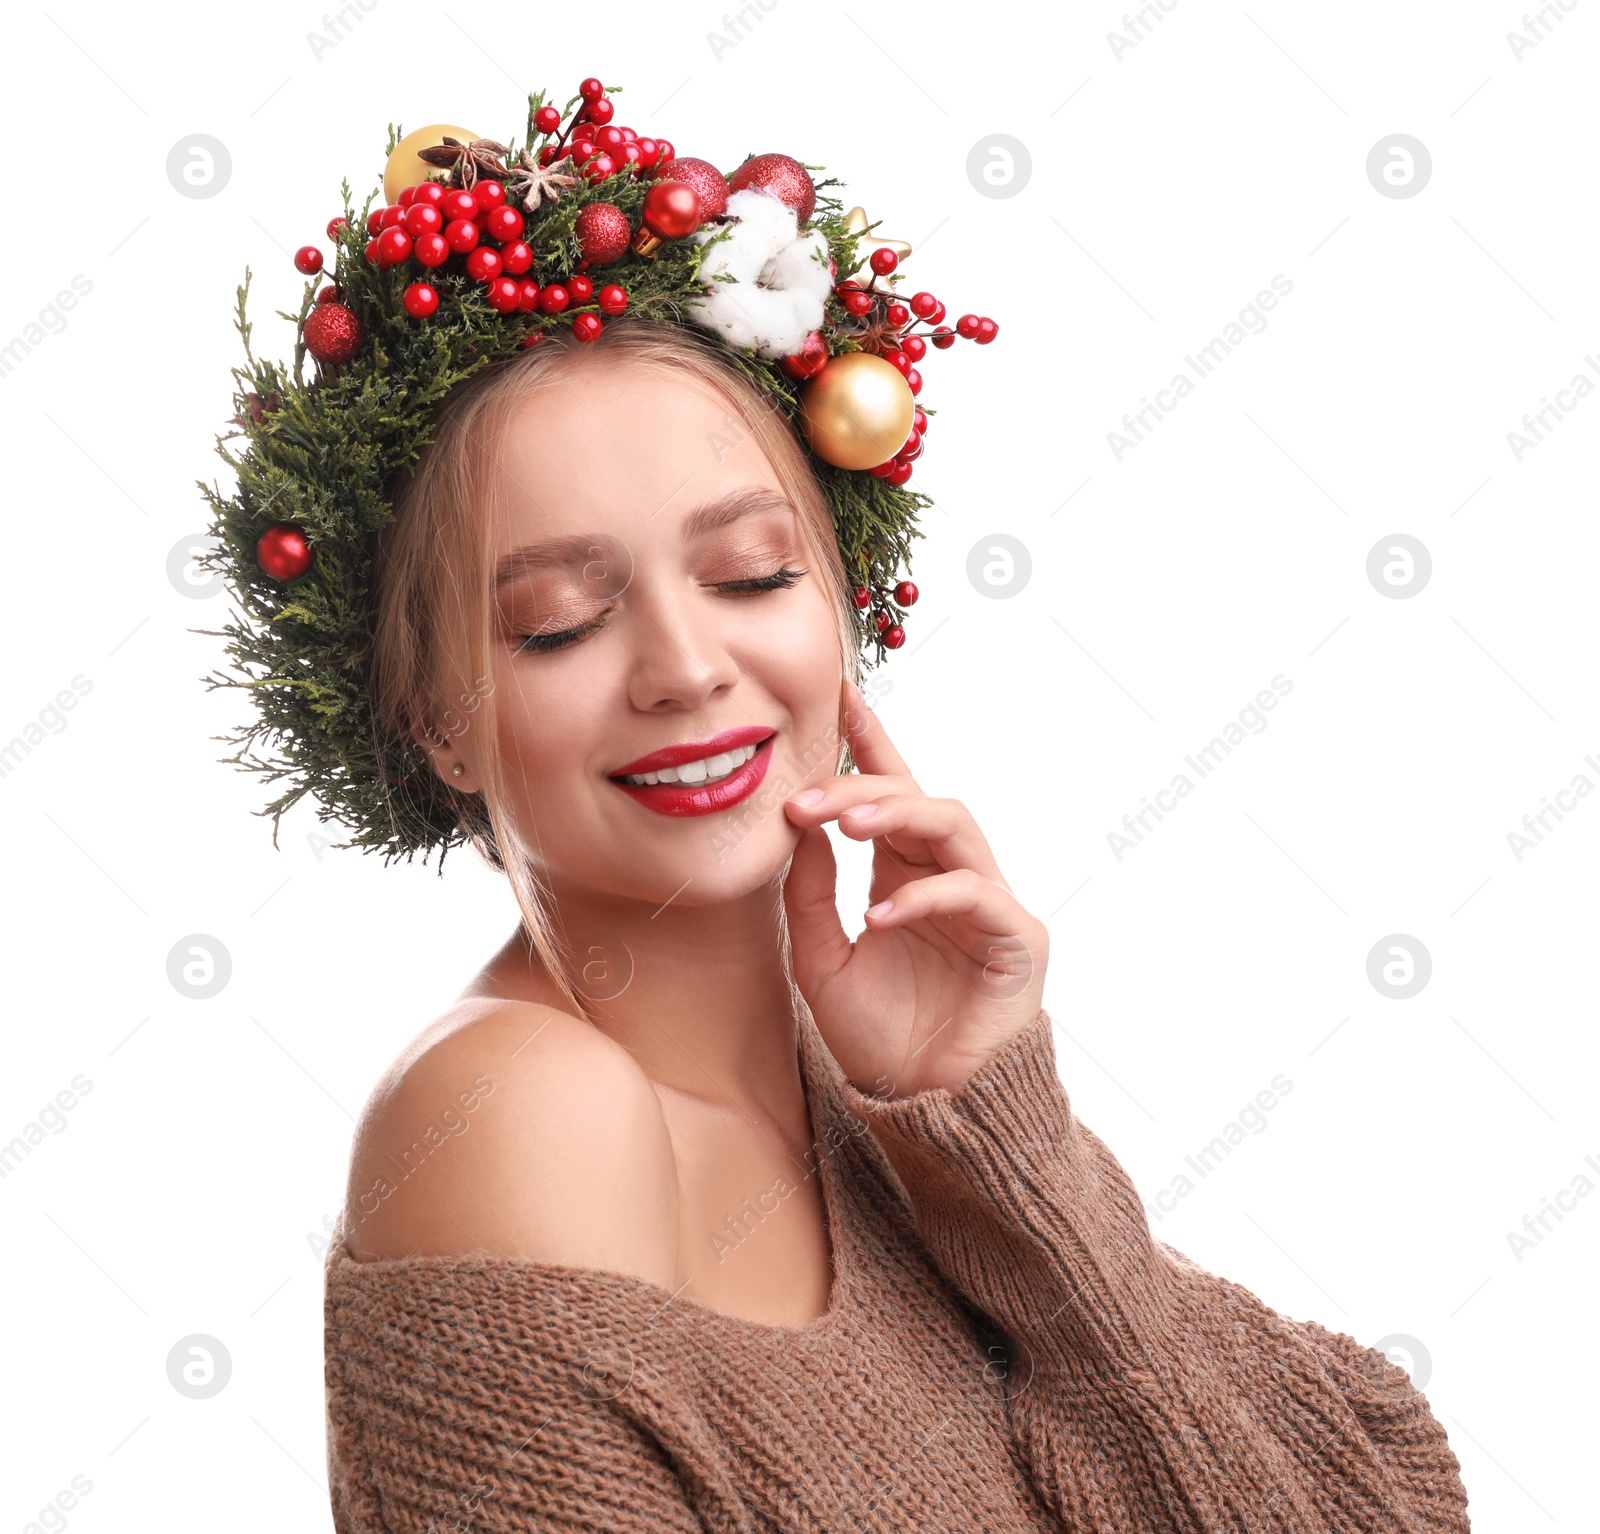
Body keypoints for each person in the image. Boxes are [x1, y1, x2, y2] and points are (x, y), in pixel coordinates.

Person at [200, 83, 1472, 1534]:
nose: (687, 668)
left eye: (750, 575)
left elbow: (1377, 1503)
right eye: (559, 620)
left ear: (843, 603)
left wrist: (1006, 1143)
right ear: (437, 718)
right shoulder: (522, 1112)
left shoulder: (867, 1084)